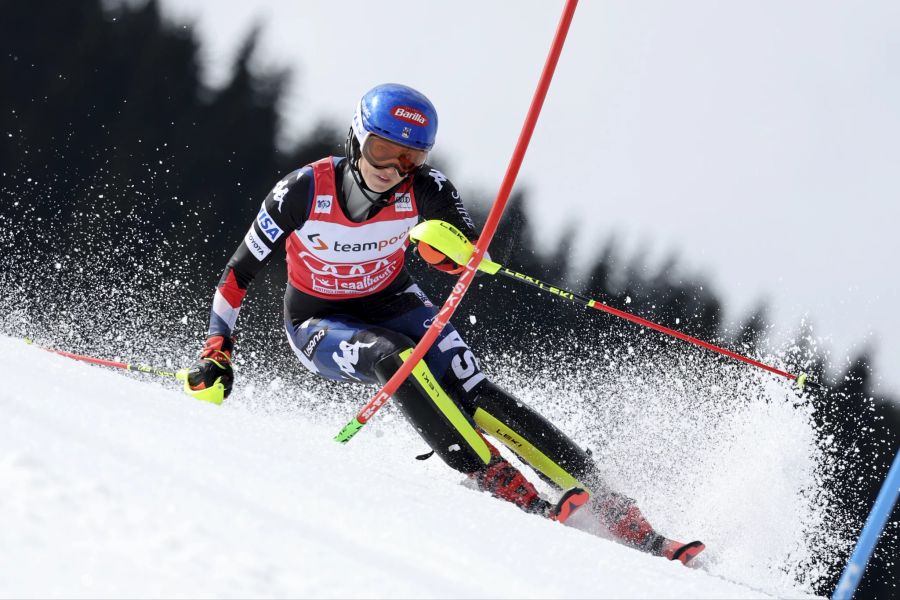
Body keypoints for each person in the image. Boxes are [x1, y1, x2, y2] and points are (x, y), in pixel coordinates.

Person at [185, 83, 705, 565]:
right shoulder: (301, 191)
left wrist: (453, 252)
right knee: (395, 359)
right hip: (318, 320)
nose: (392, 168)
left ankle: (617, 508)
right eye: (381, 151)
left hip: (393, 300)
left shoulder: (426, 187)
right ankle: (493, 476)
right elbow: (238, 273)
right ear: (355, 139)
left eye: (409, 157)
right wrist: (218, 347)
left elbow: (463, 245)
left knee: (472, 388)